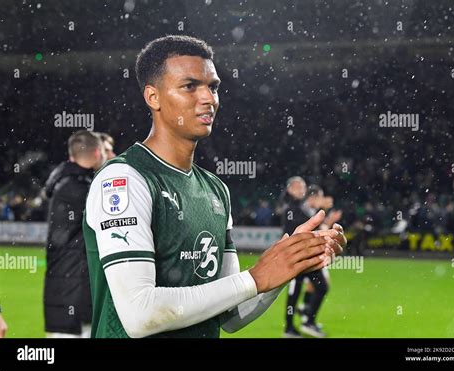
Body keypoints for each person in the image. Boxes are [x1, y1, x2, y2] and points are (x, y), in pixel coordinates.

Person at [83, 35, 347, 338]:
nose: (209, 98)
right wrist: (257, 276)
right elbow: (140, 314)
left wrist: (288, 266)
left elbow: (230, 316)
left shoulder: (215, 190)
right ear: (153, 97)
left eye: (213, 86)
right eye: (189, 86)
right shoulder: (124, 180)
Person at [44, 130, 106, 338]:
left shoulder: (64, 183)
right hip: (77, 296)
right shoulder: (84, 189)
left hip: (64, 293)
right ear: (97, 153)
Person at [298, 185, 343, 337]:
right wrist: (330, 220)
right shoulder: (305, 211)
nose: (322, 200)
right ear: (312, 197)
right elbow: (316, 232)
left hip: (309, 254)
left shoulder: (307, 210)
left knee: (314, 286)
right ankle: (307, 320)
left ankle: (304, 313)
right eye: (320, 197)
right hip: (308, 256)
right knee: (322, 286)